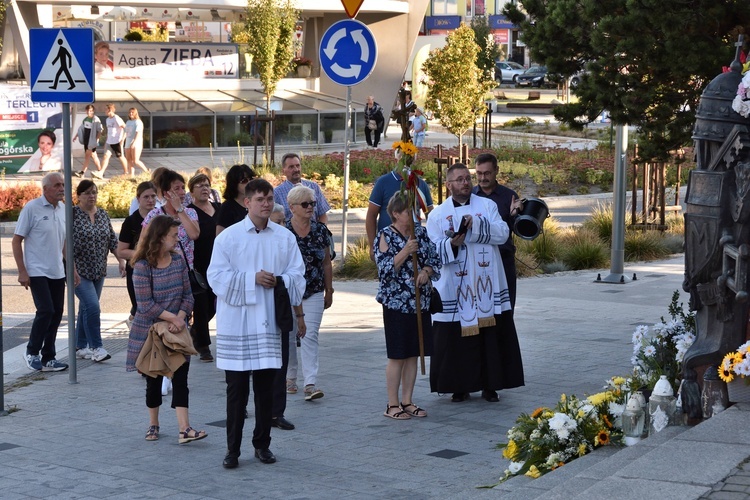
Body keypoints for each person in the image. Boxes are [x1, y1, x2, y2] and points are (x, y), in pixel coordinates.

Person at [207, 178, 305, 469]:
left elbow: (298, 276)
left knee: (265, 390)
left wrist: (278, 280)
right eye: (260, 199)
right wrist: (251, 279)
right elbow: (216, 278)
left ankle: (262, 445)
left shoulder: (284, 237)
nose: (266, 203)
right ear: (247, 202)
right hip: (237, 323)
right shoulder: (229, 237)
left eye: (269, 198)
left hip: (268, 323)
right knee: (236, 391)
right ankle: (232, 450)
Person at [426, 163, 524, 403]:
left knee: (490, 335)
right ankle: (459, 386)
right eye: (459, 179)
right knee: (455, 338)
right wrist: (452, 245)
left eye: (467, 178)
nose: (465, 183)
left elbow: (502, 233)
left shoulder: (487, 206)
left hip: (486, 284)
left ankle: (491, 385)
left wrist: (477, 224)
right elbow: (431, 249)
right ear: (448, 185)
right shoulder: (437, 214)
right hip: (455, 286)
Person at [126, 215, 207, 444]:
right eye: (173, 235)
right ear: (160, 237)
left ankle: (185, 429)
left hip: (176, 330)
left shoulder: (179, 260)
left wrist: (180, 319)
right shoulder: (142, 265)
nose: (177, 238)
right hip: (150, 331)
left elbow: (188, 296)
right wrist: (173, 318)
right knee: (153, 381)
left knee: (181, 378)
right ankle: (154, 424)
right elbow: (145, 304)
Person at [375, 192, 440, 419]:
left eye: (415, 211)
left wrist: (425, 272)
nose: (414, 215)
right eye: (408, 211)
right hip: (396, 304)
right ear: (395, 213)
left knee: (414, 353)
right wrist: (405, 252)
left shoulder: (421, 233)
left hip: (419, 303)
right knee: (398, 355)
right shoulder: (385, 235)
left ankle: (408, 400)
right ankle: (392, 404)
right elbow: (383, 270)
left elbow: (435, 260)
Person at [12, 172, 72, 372]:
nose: (61, 188)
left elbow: (63, 242)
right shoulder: (32, 208)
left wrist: (72, 268)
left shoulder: (64, 209)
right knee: (45, 310)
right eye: (56, 185)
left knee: (57, 314)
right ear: (45, 188)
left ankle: (49, 357)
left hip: (57, 269)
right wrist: (22, 271)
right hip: (37, 269)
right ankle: (31, 351)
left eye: (62, 185)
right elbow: (16, 240)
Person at [284, 185, 334, 403]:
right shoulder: (283, 232)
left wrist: (329, 289)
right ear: (292, 207)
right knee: (289, 334)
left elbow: (326, 263)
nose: (310, 208)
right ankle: (290, 377)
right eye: (305, 204)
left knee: (310, 333)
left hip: (313, 290)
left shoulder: (320, 230)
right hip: (288, 292)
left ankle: (310, 382)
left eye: (313, 203)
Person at [72, 180, 124, 362]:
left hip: (98, 270)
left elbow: (112, 240)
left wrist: (121, 260)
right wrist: (71, 268)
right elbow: (64, 243)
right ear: (78, 196)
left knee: (86, 308)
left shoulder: (102, 214)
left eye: (94, 192)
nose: (91, 196)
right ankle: (97, 347)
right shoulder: (72, 214)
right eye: (86, 193)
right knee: (93, 307)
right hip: (78, 271)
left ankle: (80, 345)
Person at [472, 153, 524, 308]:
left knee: (506, 309)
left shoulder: (509, 196)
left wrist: (516, 215)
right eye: (479, 173)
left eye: (487, 173)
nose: (482, 178)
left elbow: (516, 230)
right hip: (477, 264)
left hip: (503, 260)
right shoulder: (470, 196)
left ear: (496, 171)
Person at [366, 163, 433, 262]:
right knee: (389, 272)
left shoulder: (420, 184)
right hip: (389, 242)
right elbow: (371, 215)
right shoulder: (383, 182)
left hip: (415, 241)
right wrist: (372, 245)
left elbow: (431, 216)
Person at [186, 173, 220, 362]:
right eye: (199, 185)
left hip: (219, 263)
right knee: (201, 305)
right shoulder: (189, 211)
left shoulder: (218, 208)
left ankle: (195, 331)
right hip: (199, 264)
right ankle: (203, 346)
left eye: (207, 185)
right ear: (192, 191)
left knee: (215, 304)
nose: (204, 188)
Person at [118, 181, 158, 326]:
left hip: (159, 271)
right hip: (137, 272)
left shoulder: (160, 218)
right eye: (146, 197)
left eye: (153, 196)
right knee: (141, 309)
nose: (150, 200)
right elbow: (121, 251)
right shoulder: (131, 221)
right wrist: (143, 254)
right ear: (138, 199)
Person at [142, 170, 200, 268]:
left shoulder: (190, 212)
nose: (182, 192)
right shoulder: (154, 214)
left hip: (185, 268)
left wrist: (179, 210)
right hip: (161, 268)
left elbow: (194, 234)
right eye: (177, 189)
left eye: (183, 188)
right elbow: (143, 242)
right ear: (166, 193)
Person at [274, 153, 330, 223]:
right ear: (283, 171)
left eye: (298, 165)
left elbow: (322, 214)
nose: (296, 169)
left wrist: (322, 231)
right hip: (289, 233)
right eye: (291, 167)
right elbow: (274, 219)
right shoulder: (277, 193)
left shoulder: (314, 187)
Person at [216, 164, 256, 234]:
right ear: (234, 184)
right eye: (244, 181)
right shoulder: (227, 207)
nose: (249, 183)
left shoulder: (256, 202)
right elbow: (220, 235)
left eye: (251, 179)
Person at [96, 103, 129, 178]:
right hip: (109, 141)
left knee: (121, 157)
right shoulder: (108, 119)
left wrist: (123, 139)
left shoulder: (116, 118)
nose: (104, 111)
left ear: (110, 110)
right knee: (106, 156)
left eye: (105, 109)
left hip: (117, 141)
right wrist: (106, 141)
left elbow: (126, 128)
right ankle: (101, 172)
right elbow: (109, 131)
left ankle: (126, 172)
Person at [73, 104, 103, 178]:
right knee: (94, 156)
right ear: (86, 111)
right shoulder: (85, 119)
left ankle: (82, 172)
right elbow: (81, 129)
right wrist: (76, 136)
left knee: (87, 156)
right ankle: (100, 171)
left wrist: (96, 140)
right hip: (86, 140)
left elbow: (100, 130)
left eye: (91, 111)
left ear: (93, 111)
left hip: (91, 142)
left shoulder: (96, 119)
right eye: (88, 110)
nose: (89, 112)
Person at [124, 108, 150, 176]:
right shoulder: (128, 122)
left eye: (132, 112)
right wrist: (122, 141)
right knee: (129, 160)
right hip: (128, 142)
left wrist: (134, 142)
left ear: (135, 113)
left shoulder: (138, 122)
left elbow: (138, 133)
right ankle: (131, 175)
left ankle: (147, 171)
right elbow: (125, 132)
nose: (131, 114)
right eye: (130, 112)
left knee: (136, 161)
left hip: (136, 143)